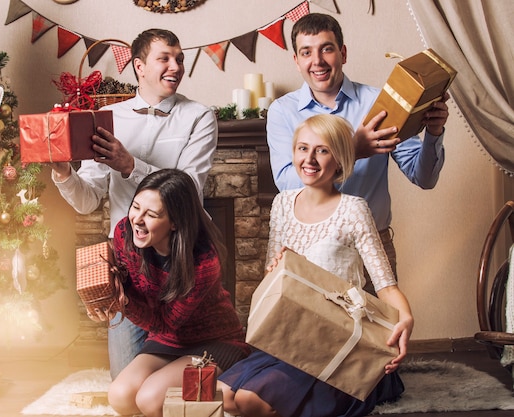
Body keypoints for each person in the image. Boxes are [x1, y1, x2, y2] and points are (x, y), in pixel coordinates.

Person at [218, 114, 414, 417]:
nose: (309, 159)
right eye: (302, 148)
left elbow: (386, 285)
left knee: (248, 401)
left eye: (322, 150)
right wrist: (279, 267)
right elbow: (271, 280)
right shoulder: (283, 203)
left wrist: (406, 319)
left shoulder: (354, 209)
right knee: (223, 396)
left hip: (338, 342)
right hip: (292, 336)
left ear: (340, 159)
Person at [50, 29, 218, 378]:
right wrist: (64, 173)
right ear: (139, 66)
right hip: (128, 265)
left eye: (180, 58)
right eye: (165, 58)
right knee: (124, 379)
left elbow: (186, 190)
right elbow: (87, 201)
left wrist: (130, 165)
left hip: (182, 262)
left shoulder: (200, 116)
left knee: (186, 383)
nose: (176, 66)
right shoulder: (108, 118)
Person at [266, 13, 450, 283]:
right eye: (306, 52)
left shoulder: (381, 102)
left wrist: (434, 133)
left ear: (343, 53)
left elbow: (423, 178)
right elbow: (287, 185)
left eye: (326, 49)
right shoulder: (282, 111)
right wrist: (351, 149)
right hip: (310, 253)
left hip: (374, 247)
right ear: (296, 61)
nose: (317, 61)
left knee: (383, 325)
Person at [88, 168, 248, 417]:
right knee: (120, 397)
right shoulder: (124, 233)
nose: (137, 220)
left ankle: (224, 388)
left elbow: (165, 323)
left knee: (149, 400)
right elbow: (124, 287)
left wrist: (125, 304)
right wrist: (104, 298)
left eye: (151, 214)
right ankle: (199, 389)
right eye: (135, 207)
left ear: (175, 222)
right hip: (167, 341)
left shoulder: (203, 261)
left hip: (213, 341)